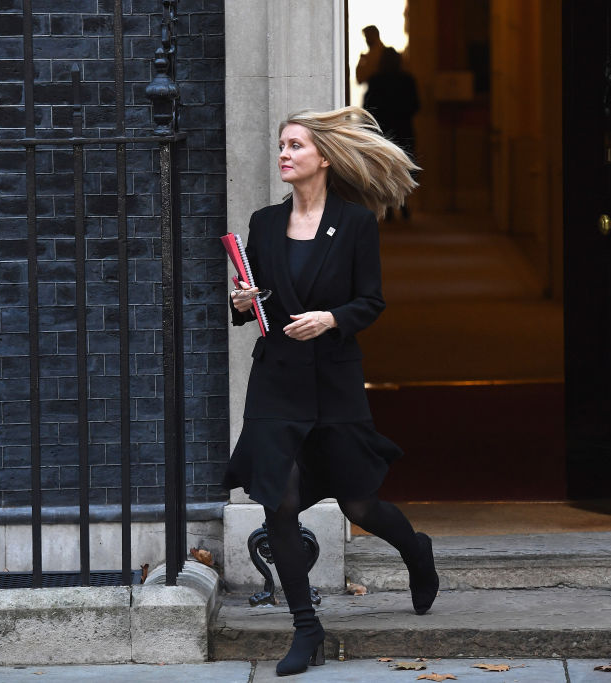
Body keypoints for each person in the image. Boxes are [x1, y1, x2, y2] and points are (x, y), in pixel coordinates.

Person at [223, 106, 439, 676]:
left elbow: (371, 301)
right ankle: (306, 628)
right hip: (277, 381)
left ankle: (415, 550)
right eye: (281, 145)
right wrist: (242, 302)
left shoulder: (356, 223)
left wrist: (331, 318)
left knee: (357, 502)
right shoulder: (264, 223)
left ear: (324, 157)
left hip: (334, 382)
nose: (284, 154)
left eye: (295, 145)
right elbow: (252, 300)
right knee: (278, 503)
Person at [363, 46, 420, 220]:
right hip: (403, 129)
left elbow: (368, 107)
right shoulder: (407, 80)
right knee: (403, 169)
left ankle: (388, 210)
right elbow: (416, 105)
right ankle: (403, 205)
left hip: (384, 131)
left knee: (385, 170)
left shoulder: (375, 80)